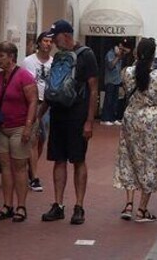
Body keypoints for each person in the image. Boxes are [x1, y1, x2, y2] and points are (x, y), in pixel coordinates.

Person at [41, 20, 99, 225]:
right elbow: (52, 88)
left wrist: (89, 121)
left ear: (66, 35)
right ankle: (58, 204)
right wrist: (38, 116)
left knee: (78, 160)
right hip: (58, 114)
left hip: (77, 116)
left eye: (55, 38)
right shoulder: (59, 57)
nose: (54, 43)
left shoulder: (87, 55)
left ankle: (79, 206)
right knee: (58, 159)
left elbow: (93, 89)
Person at [114, 38, 157, 222]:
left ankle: (128, 204)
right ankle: (142, 208)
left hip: (131, 118)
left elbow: (126, 91)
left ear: (136, 53)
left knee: (129, 159)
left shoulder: (127, 73)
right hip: (151, 122)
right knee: (150, 162)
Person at [0, 42, 38, 223]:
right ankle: (7, 205)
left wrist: (28, 126)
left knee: (19, 167)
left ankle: (21, 206)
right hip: (2, 129)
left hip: (19, 127)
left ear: (11, 57)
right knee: (5, 168)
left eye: (1, 56)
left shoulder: (24, 76)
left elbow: (33, 101)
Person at [20, 31, 54, 192]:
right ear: (39, 43)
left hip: (47, 105)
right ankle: (34, 177)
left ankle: (30, 168)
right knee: (33, 140)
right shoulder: (28, 61)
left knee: (41, 140)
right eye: (45, 41)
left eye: (50, 41)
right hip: (32, 103)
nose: (47, 44)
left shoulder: (53, 63)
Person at [102, 38, 133, 126]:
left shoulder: (121, 55)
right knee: (108, 100)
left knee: (115, 101)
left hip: (117, 80)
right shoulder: (110, 54)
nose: (120, 50)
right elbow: (111, 65)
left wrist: (122, 51)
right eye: (119, 48)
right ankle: (105, 118)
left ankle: (113, 118)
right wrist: (117, 57)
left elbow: (128, 51)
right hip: (110, 80)